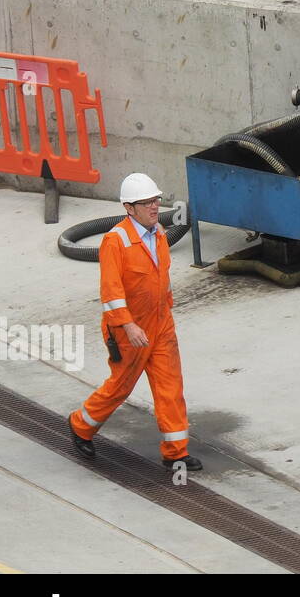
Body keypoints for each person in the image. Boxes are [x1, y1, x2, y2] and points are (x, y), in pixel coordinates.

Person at [68, 173, 201, 471]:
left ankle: (175, 452)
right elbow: (111, 293)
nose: (155, 207)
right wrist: (128, 325)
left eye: (155, 200)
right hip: (129, 329)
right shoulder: (115, 242)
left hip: (161, 324)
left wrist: (167, 312)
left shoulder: (160, 234)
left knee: (170, 386)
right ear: (129, 208)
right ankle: (80, 426)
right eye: (147, 203)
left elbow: (161, 279)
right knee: (120, 386)